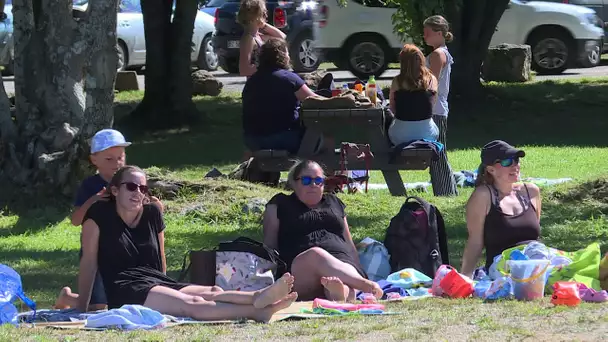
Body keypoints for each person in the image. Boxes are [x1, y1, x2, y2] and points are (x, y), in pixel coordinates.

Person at [57, 166, 298, 322]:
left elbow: (160, 257)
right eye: (131, 187)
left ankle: (258, 295)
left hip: (153, 280)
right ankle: (258, 311)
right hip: (124, 287)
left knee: (212, 292)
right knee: (192, 305)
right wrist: (82, 307)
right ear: (114, 190)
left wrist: (166, 287)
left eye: (143, 188)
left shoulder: (153, 213)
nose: (137, 193)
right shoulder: (99, 214)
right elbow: (88, 262)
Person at [263, 160, 383, 302]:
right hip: (302, 269)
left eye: (318, 180)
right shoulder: (280, 204)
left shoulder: (334, 202)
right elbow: (269, 248)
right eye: (306, 180)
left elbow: (349, 244)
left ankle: (339, 295)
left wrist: (357, 266)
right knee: (315, 255)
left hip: (342, 264)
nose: (313, 185)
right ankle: (366, 286)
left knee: (339, 282)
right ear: (294, 183)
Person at [460, 140, 542, 278]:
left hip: (535, 259)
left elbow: (535, 235)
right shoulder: (483, 196)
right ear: (491, 169)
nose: (515, 165)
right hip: (503, 267)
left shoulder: (531, 191)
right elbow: (475, 241)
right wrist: (465, 277)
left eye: (516, 160)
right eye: (506, 162)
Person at [242, 38, 317, 154]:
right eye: (287, 53)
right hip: (283, 139)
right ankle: (324, 166)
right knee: (322, 132)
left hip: (253, 141)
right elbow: (315, 100)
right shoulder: (289, 78)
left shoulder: (252, 81)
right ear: (282, 55)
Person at [423, 15, 458, 197]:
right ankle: (448, 190)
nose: (425, 36)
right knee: (438, 152)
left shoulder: (438, 54)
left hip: (435, 108)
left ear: (439, 33)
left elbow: (432, 83)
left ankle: (446, 192)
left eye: (428, 32)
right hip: (438, 107)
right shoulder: (441, 51)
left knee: (438, 153)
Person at [387, 44, 439, 146]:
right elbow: (432, 106)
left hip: (400, 136)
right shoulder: (432, 80)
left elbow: (393, 108)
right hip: (428, 135)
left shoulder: (397, 81)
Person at [237, 0, 286, 77]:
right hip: (256, 86)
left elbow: (282, 38)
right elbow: (244, 70)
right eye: (263, 12)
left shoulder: (258, 36)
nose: (266, 15)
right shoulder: (248, 39)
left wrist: (264, 25)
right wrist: (268, 68)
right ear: (255, 15)